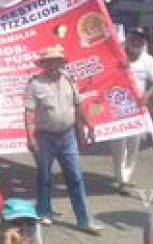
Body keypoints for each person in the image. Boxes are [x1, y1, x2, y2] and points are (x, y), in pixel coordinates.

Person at [23, 45, 101, 233]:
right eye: (48, 61)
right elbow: (29, 113)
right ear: (43, 64)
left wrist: (88, 127)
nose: (52, 65)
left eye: (55, 61)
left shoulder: (68, 79)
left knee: (76, 177)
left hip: (68, 136)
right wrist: (30, 137)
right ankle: (44, 212)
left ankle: (84, 220)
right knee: (44, 176)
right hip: (44, 138)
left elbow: (78, 105)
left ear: (60, 63)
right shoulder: (35, 84)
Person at [112, 29, 153, 194]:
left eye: (141, 40)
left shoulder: (148, 60)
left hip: (138, 109)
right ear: (128, 39)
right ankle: (120, 179)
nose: (137, 42)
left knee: (134, 145)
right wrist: (119, 67)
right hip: (117, 108)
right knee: (118, 145)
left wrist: (146, 96)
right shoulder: (116, 54)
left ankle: (127, 176)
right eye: (134, 39)